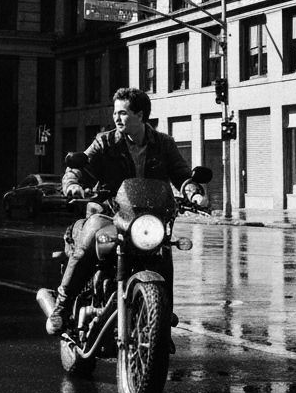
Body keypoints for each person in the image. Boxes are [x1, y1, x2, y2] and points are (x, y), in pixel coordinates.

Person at [46, 87, 203, 335]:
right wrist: (73, 184)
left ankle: (162, 312)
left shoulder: (164, 144)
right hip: (109, 212)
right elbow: (81, 164)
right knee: (89, 240)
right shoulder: (105, 142)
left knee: (163, 249)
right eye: (115, 113)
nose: (116, 118)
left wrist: (193, 192)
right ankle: (62, 307)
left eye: (123, 113)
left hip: (147, 218)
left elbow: (181, 175)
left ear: (140, 115)